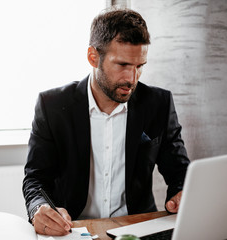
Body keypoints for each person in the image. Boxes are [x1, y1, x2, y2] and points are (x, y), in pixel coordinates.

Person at [22, 8, 190, 236]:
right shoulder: (52, 105)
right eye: (122, 65)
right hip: (74, 230)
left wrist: (181, 193)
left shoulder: (158, 103)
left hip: (138, 229)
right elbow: (35, 179)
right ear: (93, 57)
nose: (132, 79)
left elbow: (179, 171)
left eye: (139, 66)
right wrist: (38, 208)